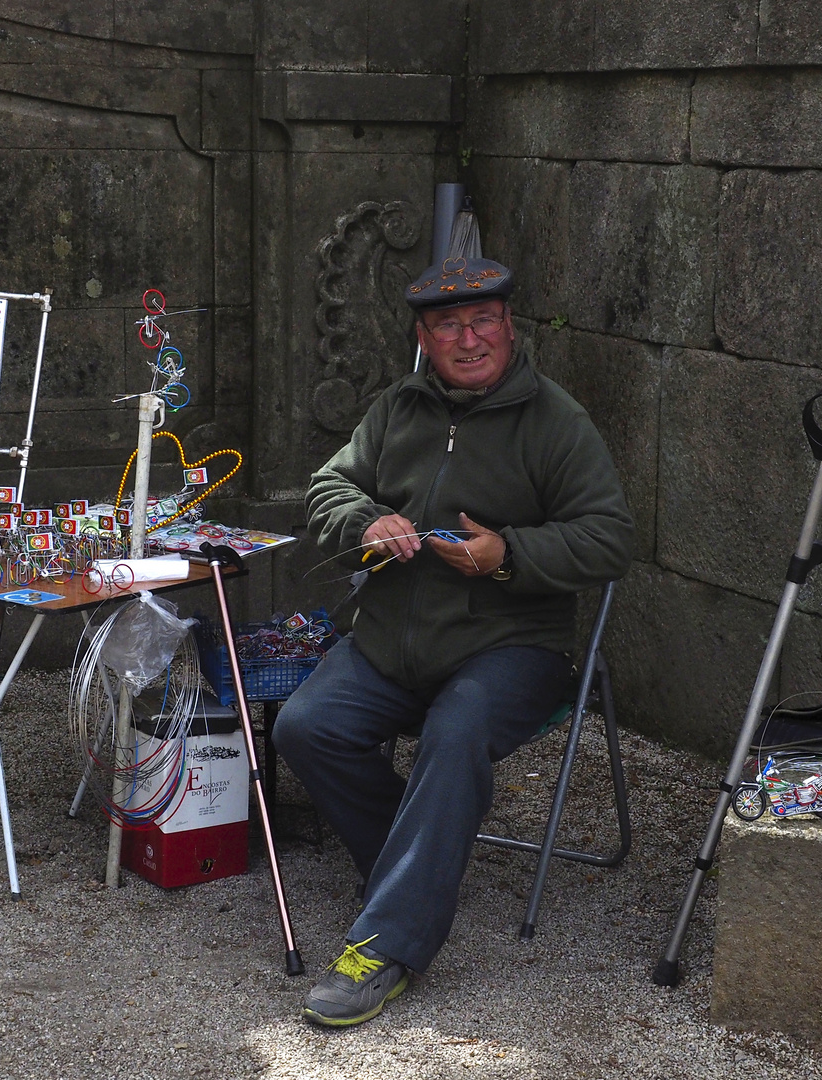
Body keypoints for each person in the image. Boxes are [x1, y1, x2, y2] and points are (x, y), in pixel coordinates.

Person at [274, 256, 634, 1026]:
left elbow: (608, 541)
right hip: (392, 643)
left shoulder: (555, 422)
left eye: (482, 322)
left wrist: (511, 555)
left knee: (457, 726)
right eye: (447, 326)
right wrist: (364, 521)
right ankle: (419, 864)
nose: (467, 339)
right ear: (422, 338)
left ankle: (391, 943)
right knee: (306, 725)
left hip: (512, 646)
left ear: (508, 327)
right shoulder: (396, 408)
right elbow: (328, 486)